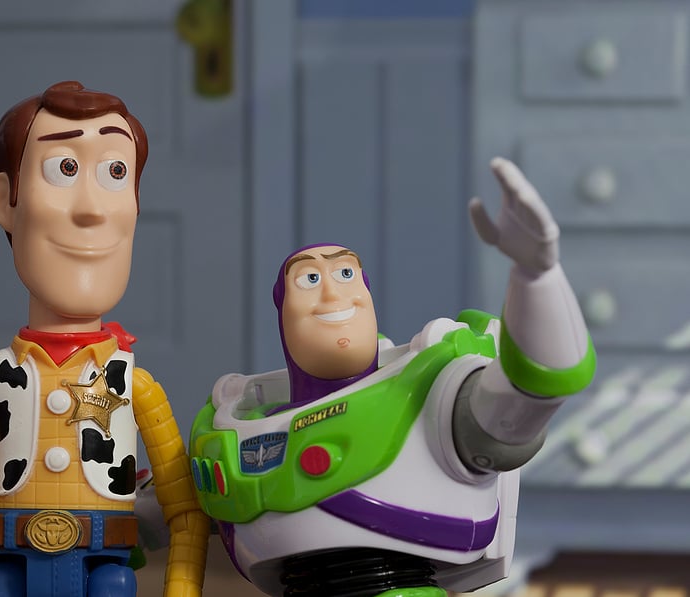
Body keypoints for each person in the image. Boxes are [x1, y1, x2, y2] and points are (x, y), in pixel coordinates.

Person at [190, 158, 596, 596]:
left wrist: (537, 279)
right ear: (282, 311)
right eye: (309, 278)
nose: (332, 292)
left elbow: (530, 390)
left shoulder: (432, 392)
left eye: (346, 273)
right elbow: (166, 513)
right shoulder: (237, 418)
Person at [0, 80, 209, 597]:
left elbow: (186, 515)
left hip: (106, 572)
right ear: (6, 201)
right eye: (63, 168)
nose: (92, 209)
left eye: (115, 172)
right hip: (9, 571)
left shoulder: (133, 384)